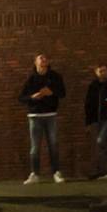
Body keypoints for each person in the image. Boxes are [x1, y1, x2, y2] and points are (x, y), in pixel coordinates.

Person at [19, 54, 66, 185]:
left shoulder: (55, 76)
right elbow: (21, 98)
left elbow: (63, 93)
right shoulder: (31, 79)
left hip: (51, 114)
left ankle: (56, 173)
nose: (44, 60)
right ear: (35, 62)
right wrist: (33, 97)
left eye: (46, 58)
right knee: (35, 147)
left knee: (54, 144)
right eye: (41, 58)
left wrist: (52, 93)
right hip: (34, 116)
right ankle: (34, 174)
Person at [84, 64, 107, 178]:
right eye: (100, 71)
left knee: (101, 142)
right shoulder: (93, 86)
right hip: (97, 119)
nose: (103, 73)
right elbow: (88, 104)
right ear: (96, 72)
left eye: (104, 71)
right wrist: (89, 121)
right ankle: (105, 169)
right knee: (101, 145)